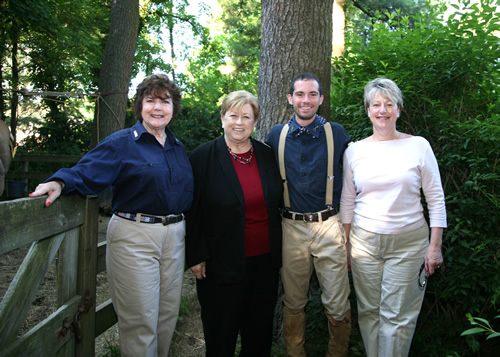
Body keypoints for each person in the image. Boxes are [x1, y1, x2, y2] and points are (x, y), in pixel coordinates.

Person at [29, 74, 193, 357]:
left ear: (173, 108)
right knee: (140, 323)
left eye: (164, 101)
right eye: (150, 100)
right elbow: (87, 170)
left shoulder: (177, 148)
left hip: (175, 238)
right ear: (139, 105)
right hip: (135, 238)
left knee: (166, 318)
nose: (157, 107)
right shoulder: (122, 143)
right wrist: (59, 182)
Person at [340, 77, 447, 357]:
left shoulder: (419, 146)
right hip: (364, 245)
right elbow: (348, 201)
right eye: (376, 104)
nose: (382, 110)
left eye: (389, 104)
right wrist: (347, 245)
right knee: (369, 312)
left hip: (408, 245)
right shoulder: (354, 151)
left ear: (399, 109)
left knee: (397, 317)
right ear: (367, 110)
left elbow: (435, 198)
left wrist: (434, 247)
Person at [186, 90, 283, 357]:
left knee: (258, 337)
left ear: (255, 122)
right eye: (233, 116)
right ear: (222, 119)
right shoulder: (202, 157)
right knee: (221, 337)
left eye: (246, 117)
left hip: (265, 264)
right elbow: (192, 211)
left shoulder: (266, 155)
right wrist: (196, 254)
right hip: (219, 265)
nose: (239, 122)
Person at [265, 73, 352, 357]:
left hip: (329, 224)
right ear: (290, 98)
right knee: (294, 301)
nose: (306, 100)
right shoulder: (276, 135)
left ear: (321, 99)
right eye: (300, 94)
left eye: (312, 94)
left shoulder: (336, 133)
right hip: (290, 227)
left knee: (338, 303)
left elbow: (354, 181)